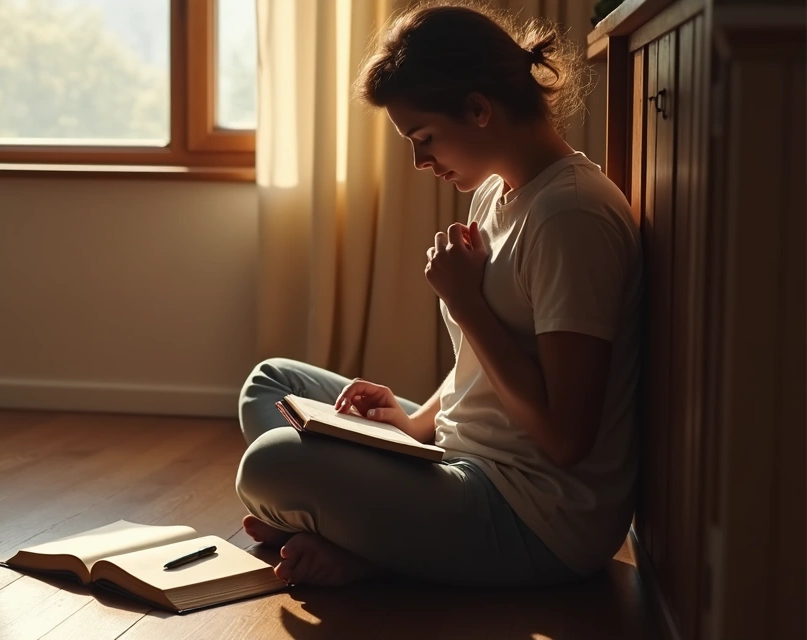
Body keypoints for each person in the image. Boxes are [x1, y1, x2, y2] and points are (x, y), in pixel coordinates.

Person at [235, 0, 643, 589]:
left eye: (424, 137)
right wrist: (413, 423)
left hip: (530, 515)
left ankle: (370, 549)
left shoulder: (569, 217)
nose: (419, 160)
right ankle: (366, 536)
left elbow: (567, 438)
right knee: (273, 384)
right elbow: (479, 375)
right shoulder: (497, 192)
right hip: (459, 461)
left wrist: (467, 304)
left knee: (271, 464)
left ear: (479, 109)